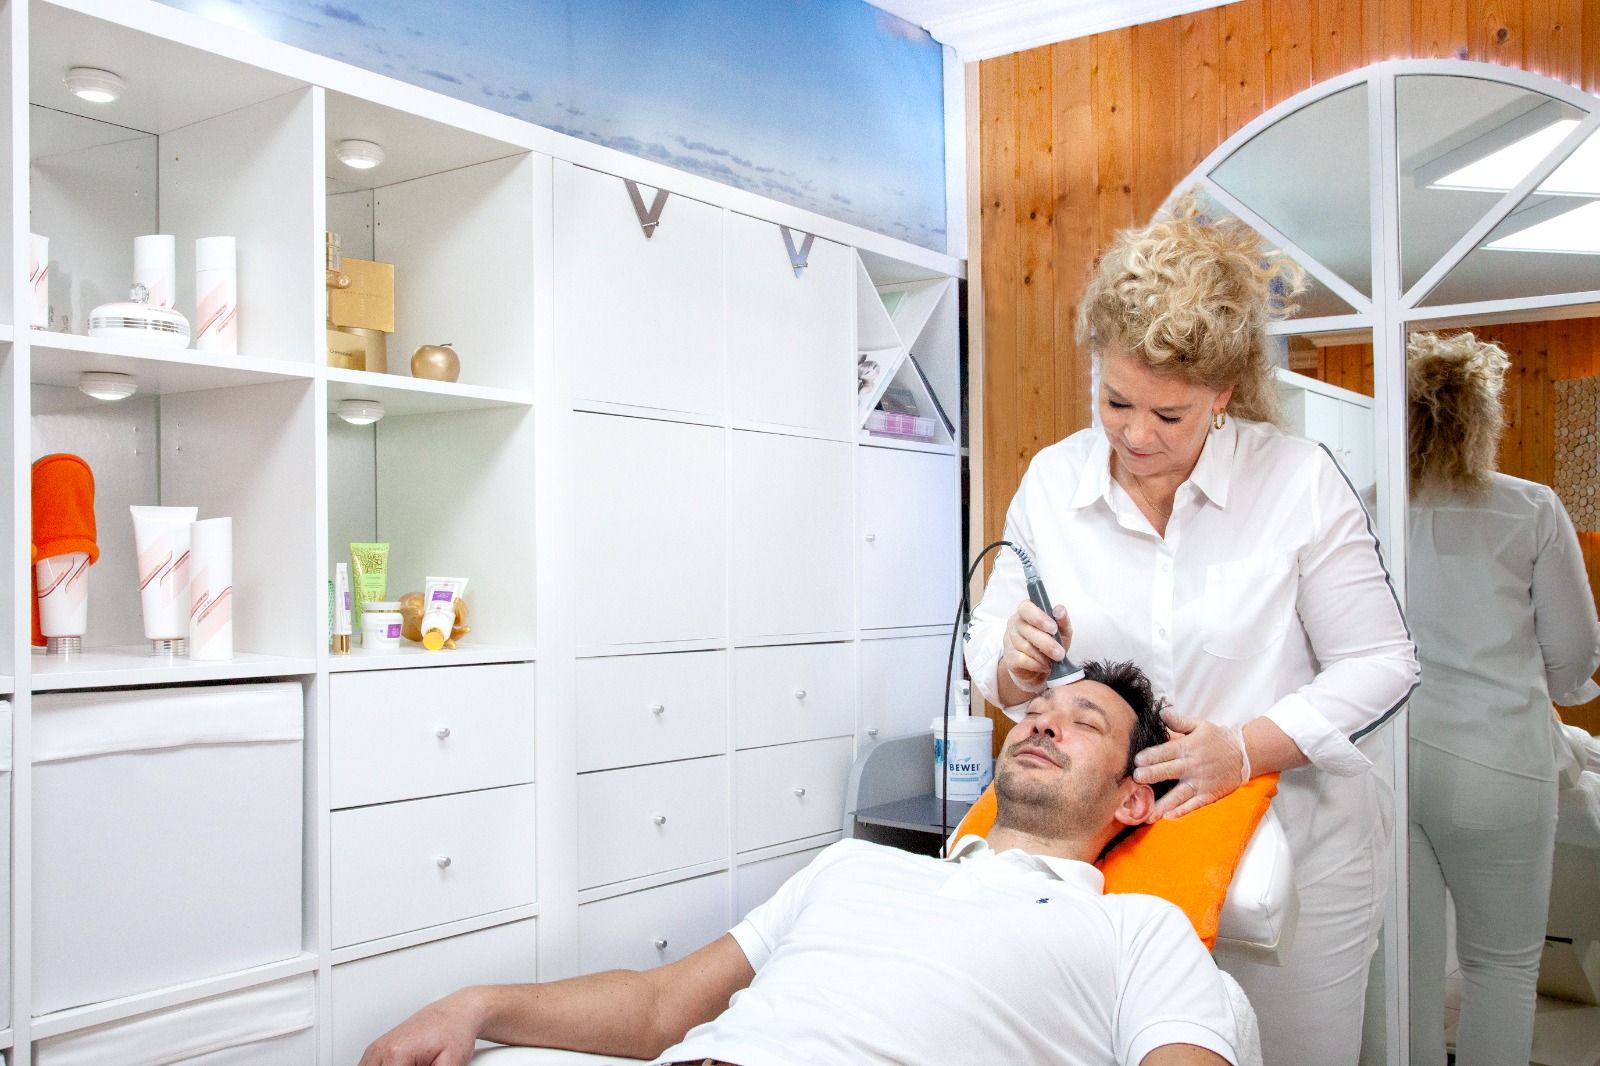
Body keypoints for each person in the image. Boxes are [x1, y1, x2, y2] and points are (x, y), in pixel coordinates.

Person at [964, 198, 1419, 1065]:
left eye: (1169, 416)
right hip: (1114, 852)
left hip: (1294, 859)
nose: (1136, 436)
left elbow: (1382, 662)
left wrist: (1242, 750)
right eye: (1116, 401)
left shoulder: (1297, 481)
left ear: (1223, 395)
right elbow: (991, 648)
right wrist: (1014, 663)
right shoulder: (1053, 483)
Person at [360, 660, 1256, 1066]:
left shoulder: (1136, 930)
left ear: (1133, 800)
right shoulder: (855, 868)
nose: (1043, 722)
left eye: (1083, 723)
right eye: (1037, 711)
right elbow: (660, 1007)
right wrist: (474, 1006)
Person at [1403, 331, 1600, 1066]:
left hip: (1393, 760)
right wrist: (1559, 688)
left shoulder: (1367, 506)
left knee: (1408, 969)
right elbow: (1574, 652)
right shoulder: (1530, 508)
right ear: (1482, 419)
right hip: (1499, 764)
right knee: (1502, 968)